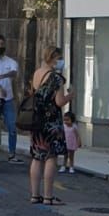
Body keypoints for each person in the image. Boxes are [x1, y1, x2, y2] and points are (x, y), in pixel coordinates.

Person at [26, 46, 68, 206]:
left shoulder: (37, 74)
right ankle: (48, 196)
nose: (60, 62)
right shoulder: (56, 78)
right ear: (52, 58)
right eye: (58, 58)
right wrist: (70, 96)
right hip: (51, 122)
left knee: (37, 157)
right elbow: (59, 101)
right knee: (51, 158)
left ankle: (35, 194)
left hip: (37, 121)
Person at [0, 35, 20, 160]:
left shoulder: (11, 62)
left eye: (2, 44)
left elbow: (14, 73)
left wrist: (2, 76)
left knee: (12, 127)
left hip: (8, 99)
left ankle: (12, 153)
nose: (0, 47)